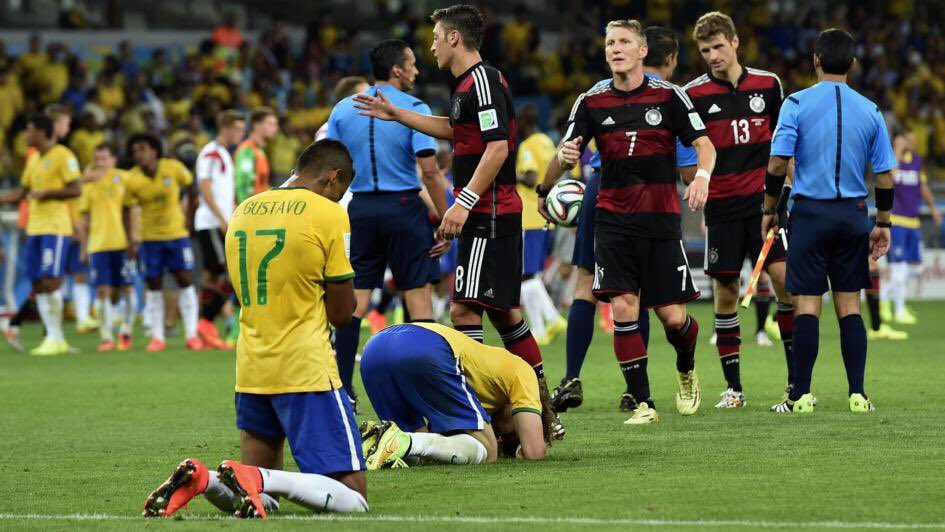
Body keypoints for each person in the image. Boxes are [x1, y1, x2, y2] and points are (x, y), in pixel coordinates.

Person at [353, 5, 561, 439]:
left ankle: (481, 414)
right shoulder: (467, 85)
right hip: (486, 213)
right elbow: (456, 129)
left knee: (467, 308)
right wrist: (398, 115)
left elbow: (497, 148)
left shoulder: (483, 81)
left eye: (435, 37)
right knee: (503, 314)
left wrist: (462, 202)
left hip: (491, 212)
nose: (430, 46)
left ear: (453, 38)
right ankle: (537, 410)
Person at [143, 141, 368, 518]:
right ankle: (259, 477)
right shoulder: (328, 213)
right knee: (354, 498)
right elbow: (342, 315)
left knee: (263, 500)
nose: (338, 198)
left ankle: (206, 480)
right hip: (306, 368)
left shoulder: (243, 210)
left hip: (252, 367)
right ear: (333, 177)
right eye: (339, 191)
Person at [538, 19, 716, 425]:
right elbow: (566, 150)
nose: (615, 49)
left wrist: (703, 178)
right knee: (622, 307)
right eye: (610, 43)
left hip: (660, 221)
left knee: (673, 318)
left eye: (623, 42)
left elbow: (704, 145)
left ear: (641, 51)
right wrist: (547, 183)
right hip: (612, 220)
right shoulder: (591, 101)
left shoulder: (669, 96)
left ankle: (686, 366)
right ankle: (643, 403)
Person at [766, 29, 895, 414]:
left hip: (809, 214)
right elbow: (884, 175)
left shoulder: (795, 103)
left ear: (816, 60)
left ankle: (800, 397)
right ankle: (858, 395)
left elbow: (778, 162)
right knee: (850, 305)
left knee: (807, 305)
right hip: (852, 215)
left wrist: (768, 209)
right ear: (853, 63)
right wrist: (883, 222)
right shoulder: (870, 110)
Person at [326, 39, 449, 409]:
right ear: (397, 69)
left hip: (361, 209)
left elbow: (332, 169)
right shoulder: (415, 108)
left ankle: (343, 390)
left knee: (357, 301)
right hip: (404, 208)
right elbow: (430, 172)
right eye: (412, 64)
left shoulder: (343, 109)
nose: (416, 70)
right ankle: (427, 392)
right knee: (419, 300)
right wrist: (446, 216)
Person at [683, 12, 794, 408]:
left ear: (734, 42)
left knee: (785, 283)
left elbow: (784, 143)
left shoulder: (768, 84)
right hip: (723, 208)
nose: (712, 55)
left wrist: (790, 191)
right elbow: (690, 152)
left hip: (765, 206)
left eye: (718, 46)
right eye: (705, 50)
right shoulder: (693, 95)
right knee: (726, 291)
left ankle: (796, 385)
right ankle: (734, 390)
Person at [359, 322, 547, 468]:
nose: (502, 437)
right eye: (513, 433)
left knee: (418, 454)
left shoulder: (475, 393)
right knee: (489, 450)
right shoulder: (523, 372)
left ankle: (368, 443)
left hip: (374, 350)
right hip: (424, 345)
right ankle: (401, 442)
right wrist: (521, 446)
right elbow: (534, 452)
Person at [0, 113, 81, 355]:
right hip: (34, 227)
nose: (25, 134)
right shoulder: (34, 159)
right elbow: (23, 192)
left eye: (29, 130)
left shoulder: (63, 155)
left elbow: (76, 189)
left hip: (55, 227)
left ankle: (55, 338)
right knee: (37, 282)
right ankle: (54, 339)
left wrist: (48, 193)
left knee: (50, 279)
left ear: (43, 132)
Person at [125, 133, 203, 352]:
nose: (138, 154)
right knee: (154, 284)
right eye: (134, 151)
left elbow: (192, 187)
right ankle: (158, 337)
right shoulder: (132, 179)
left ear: (154, 150)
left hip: (177, 235)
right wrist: (130, 238)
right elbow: (126, 208)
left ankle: (192, 335)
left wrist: (189, 218)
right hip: (150, 239)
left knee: (185, 279)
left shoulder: (173, 168)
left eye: (142, 149)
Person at [515, 104, 566, 345]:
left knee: (525, 274)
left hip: (529, 216)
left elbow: (530, 177)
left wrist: (507, 175)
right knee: (530, 274)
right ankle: (548, 322)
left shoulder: (527, 146)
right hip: (546, 216)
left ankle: (544, 325)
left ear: (523, 123)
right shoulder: (546, 141)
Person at [77, 143, 136, 351]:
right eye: (97, 159)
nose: (100, 163)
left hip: (122, 244)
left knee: (127, 289)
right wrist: (83, 248)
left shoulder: (124, 179)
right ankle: (106, 336)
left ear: (113, 160)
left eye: (104, 158)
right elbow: (84, 219)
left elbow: (132, 210)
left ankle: (126, 332)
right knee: (103, 291)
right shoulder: (89, 184)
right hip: (98, 245)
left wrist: (133, 239)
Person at [194, 110, 244, 350]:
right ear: (225, 128)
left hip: (219, 221)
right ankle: (205, 322)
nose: (241, 134)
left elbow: (224, 192)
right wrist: (222, 218)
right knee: (230, 273)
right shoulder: (211, 152)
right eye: (238, 129)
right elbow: (204, 185)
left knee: (213, 276)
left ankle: (205, 328)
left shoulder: (224, 153)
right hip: (212, 222)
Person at [883, 128, 942, 325]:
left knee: (917, 267)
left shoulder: (917, 160)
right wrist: (897, 151)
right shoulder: (891, 158)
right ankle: (898, 309)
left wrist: (933, 208)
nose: (912, 142)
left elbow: (922, 186)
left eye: (913, 139)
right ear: (899, 140)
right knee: (899, 268)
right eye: (908, 139)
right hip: (897, 221)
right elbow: (889, 177)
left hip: (913, 221)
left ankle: (884, 296)